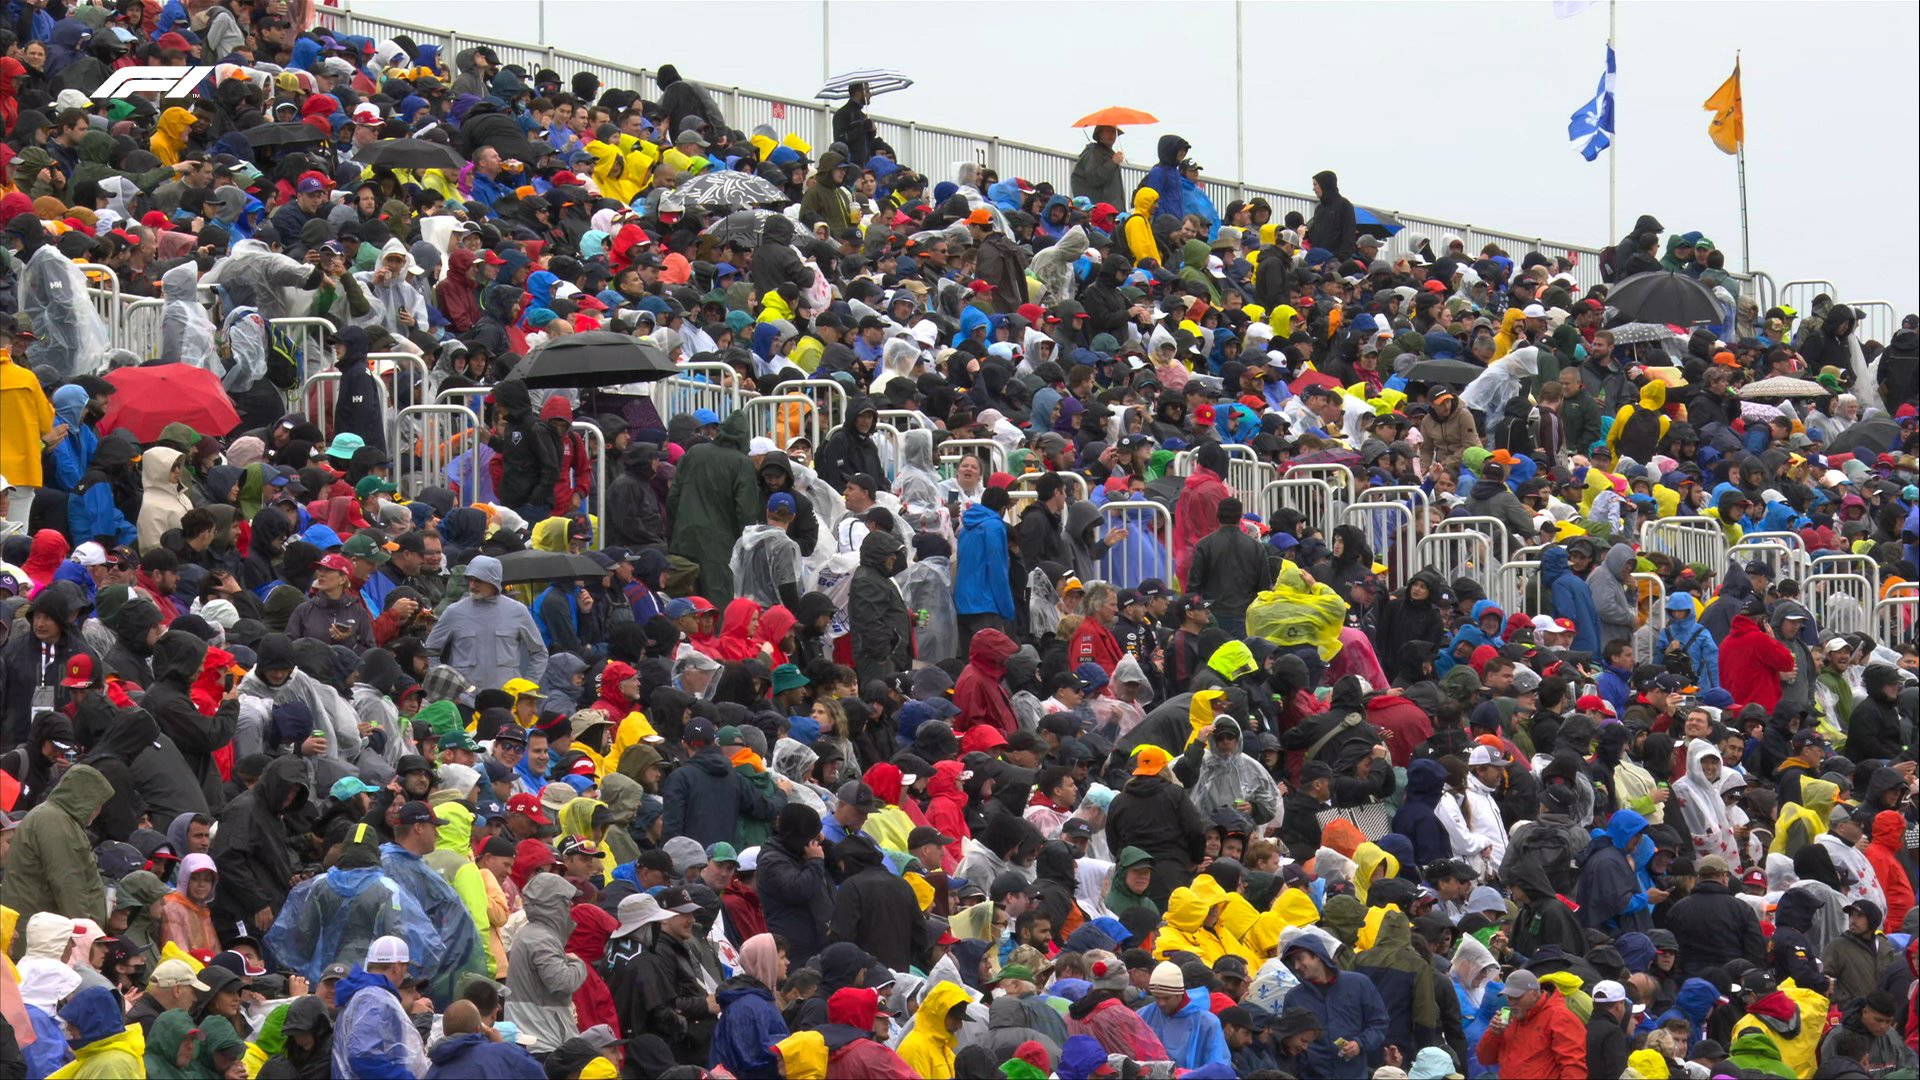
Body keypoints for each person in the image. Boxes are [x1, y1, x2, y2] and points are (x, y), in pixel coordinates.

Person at [1279, 934, 1388, 1080]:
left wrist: (1360, 1043)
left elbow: (1379, 1022)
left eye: (1300, 958)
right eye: (1293, 962)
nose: (1296, 966)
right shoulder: (1294, 997)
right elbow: (1288, 1042)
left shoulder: (1358, 984)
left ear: (1317, 955)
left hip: (1353, 1075)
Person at [504, 870, 587, 1054]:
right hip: (543, 1041)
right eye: (566, 901)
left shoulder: (533, 934)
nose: (571, 905)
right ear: (552, 904)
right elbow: (562, 982)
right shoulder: (541, 939)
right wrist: (578, 964)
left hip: (535, 1037)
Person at [332, 936, 430, 1079]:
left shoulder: (360, 995)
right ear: (397, 967)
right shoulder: (375, 999)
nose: (405, 974)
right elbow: (363, 1055)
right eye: (405, 968)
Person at [1475, 969, 1586, 1079]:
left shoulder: (1560, 1017)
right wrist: (1494, 1033)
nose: (1511, 1003)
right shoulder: (1509, 1018)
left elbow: (1574, 1067)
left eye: (1517, 997)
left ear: (1534, 993)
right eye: (1509, 997)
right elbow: (1484, 1059)